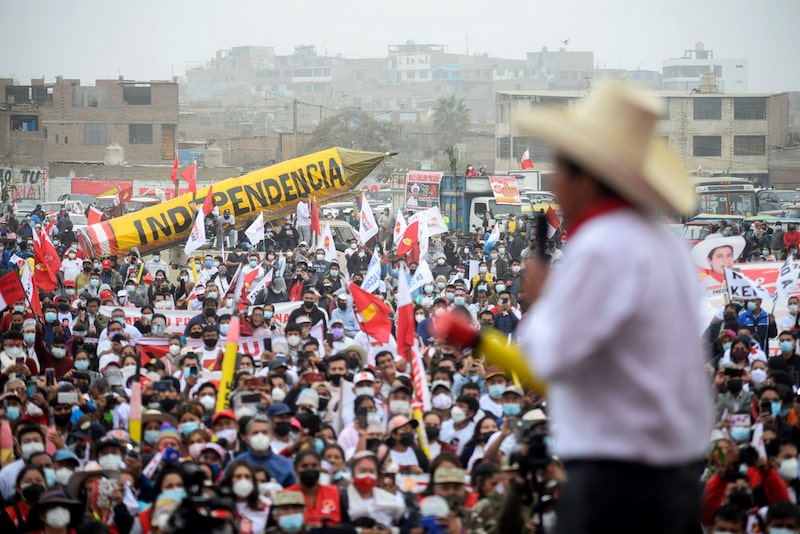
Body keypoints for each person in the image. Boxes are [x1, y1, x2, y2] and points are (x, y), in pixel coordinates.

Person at [514, 82, 711, 533]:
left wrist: (544, 303)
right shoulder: (664, 245)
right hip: (671, 482)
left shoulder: (602, 247)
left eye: (558, 169)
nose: (552, 183)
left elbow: (549, 358)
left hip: (616, 487)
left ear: (585, 177)